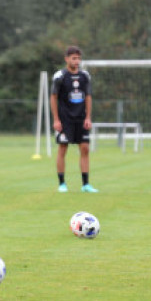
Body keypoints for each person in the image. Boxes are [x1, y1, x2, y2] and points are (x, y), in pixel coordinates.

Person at [50, 46, 97, 193]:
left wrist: (88, 117)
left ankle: (85, 184)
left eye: (78, 58)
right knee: (63, 148)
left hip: (81, 119)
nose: (77, 61)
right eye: (74, 58)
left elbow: (88, 97)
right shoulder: (60, 76)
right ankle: (62, 184)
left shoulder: (85, 76)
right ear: (67, 59)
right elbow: (53, 97)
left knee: (85, 148)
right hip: (65, 120)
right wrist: (56, 119)